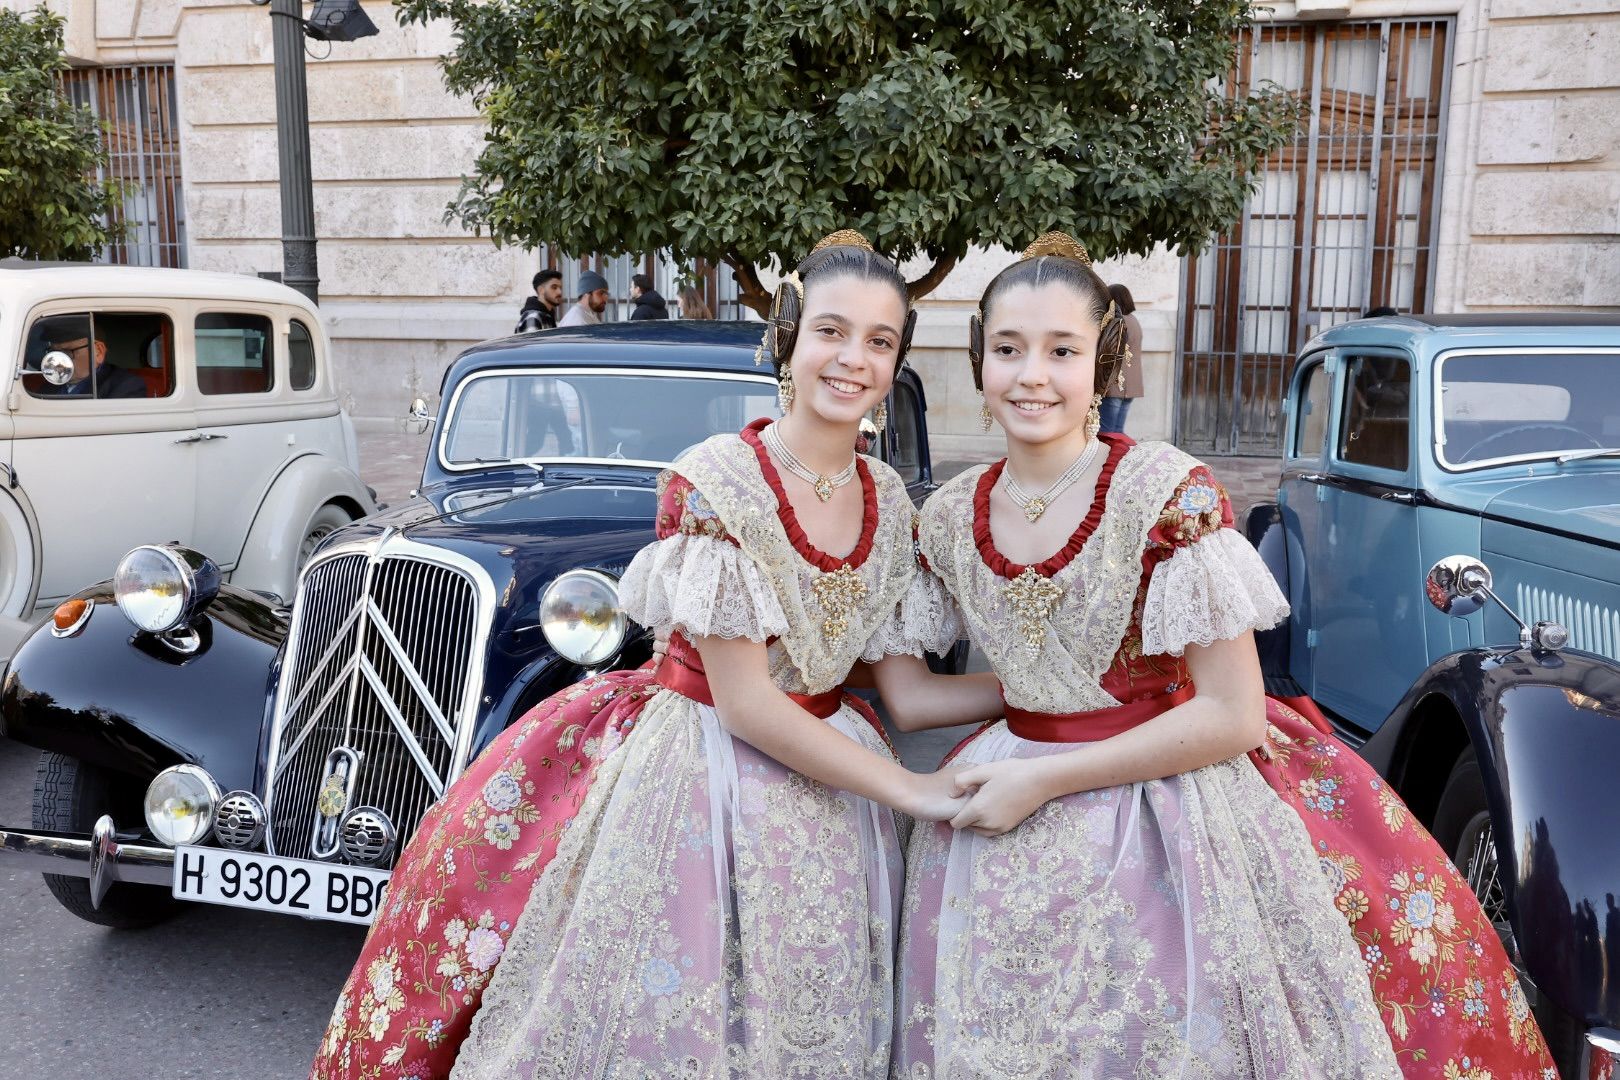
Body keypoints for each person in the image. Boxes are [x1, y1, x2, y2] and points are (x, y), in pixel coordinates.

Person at [309, 231, 990, 1079]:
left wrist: (1051, 701)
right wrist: (910, 788)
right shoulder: (718, 481)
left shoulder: (888, 498)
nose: (853, 358)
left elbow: (912, 696)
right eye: (832, 330)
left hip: (835, 792)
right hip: (702, 770)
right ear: (788, 337)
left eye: (880, 342)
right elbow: (745, 705)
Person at [883, 234, 1553, 1077]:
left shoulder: (1166, 492)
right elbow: (908, 702)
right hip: (998, 810)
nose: (1032, 375)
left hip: (1165, 811)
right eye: (1008, 349)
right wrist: (1032, 715)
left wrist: (1044, 770)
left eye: (1063, 351)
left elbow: (1231, 714)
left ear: (1104, 363)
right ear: (980, 361)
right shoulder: (947, 516)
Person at [33, 318, 145, 398]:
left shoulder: (125, 386)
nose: (58, 362)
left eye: (67, 352)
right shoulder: (49, 387)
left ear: (98, 352)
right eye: (55, 353)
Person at [1097, 282, 1141, 433]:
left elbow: (1110, 351)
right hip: (1132, 385)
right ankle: (1121, 457)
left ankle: (1112, 458)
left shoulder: (1118, 322)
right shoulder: (1134, 320)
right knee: (1118, 432)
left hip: (1115, 384)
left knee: (1106, 433)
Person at [514, 268, 562, 333]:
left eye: (560, 288)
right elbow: (532, 343)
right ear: (541, 290)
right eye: (554, 287)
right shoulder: (532, 318)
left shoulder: (547, 315)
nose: (559, 292)